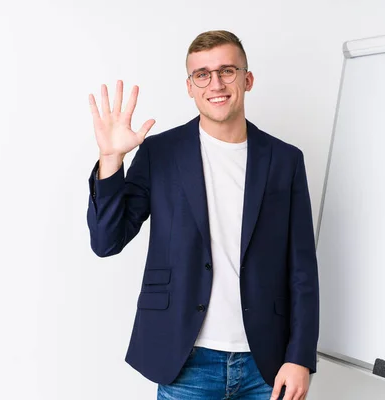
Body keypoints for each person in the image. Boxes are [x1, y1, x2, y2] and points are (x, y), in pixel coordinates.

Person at [86, 30, 319, 400]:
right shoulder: (159, 153)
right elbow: (105, 241)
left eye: (227, 71)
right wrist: (111, 159)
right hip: (186, 360)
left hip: (268, 364)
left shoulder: (285, 160)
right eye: (202, 74)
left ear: (248, 79)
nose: (216, 83)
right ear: (190, 86)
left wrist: (300, 357)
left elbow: (303, 268)